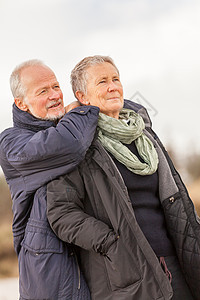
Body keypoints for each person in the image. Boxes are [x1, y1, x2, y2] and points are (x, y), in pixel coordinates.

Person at [47, 55, 200, 300]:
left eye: (115, 79)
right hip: (127, 272)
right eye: (102, 82)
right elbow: (61, 214)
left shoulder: (145, 136)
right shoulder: (77, 147)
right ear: (83, 97)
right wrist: (111, 243)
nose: (112, 86)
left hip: (176, 261)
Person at [0, 59, 100, 299]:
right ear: (21, 103)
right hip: (49, 273)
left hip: (91, 258)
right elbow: (69, 144)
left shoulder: (76, 127)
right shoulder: (11, 144)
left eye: (56, 86)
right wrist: (81, 107)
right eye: (43, 91)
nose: (55, 95)